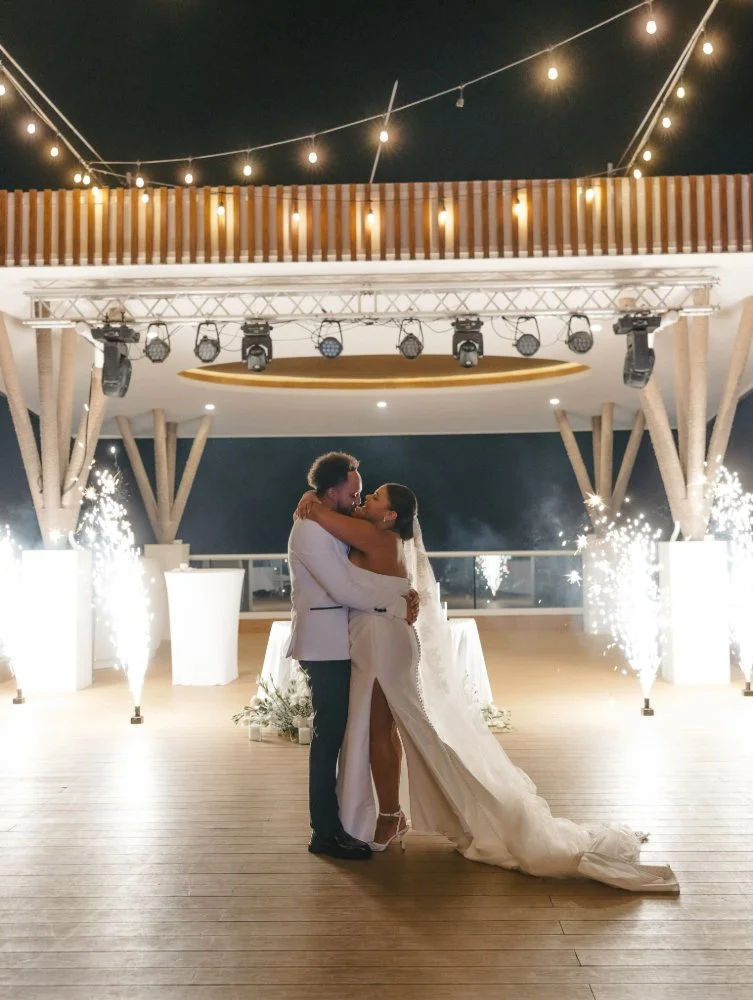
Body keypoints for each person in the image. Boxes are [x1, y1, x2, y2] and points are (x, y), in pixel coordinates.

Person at [295, 484, 679, 893]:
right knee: (392, 730)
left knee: (386, 732)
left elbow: (321, 515)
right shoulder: (376, 530)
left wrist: (312, 500)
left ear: (390, 516)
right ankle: (396, 814)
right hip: (379, 637)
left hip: (383, 641)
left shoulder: (377, 536)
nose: (366, 499)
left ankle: (394, 815)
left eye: (374, 498)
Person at [286, 452, 418, 861]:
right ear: (332, 491)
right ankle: (325, 832)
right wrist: (398, 599)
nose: (360, 497)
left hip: (348, 641)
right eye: (356, 490)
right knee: (330, 740)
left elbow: (367, 561)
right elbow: (343, 589)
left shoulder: (338, 521)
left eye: (366, 493)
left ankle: (349, 822)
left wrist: (401, 592)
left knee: (348, 733)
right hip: (324, 644)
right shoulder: (310, 529)